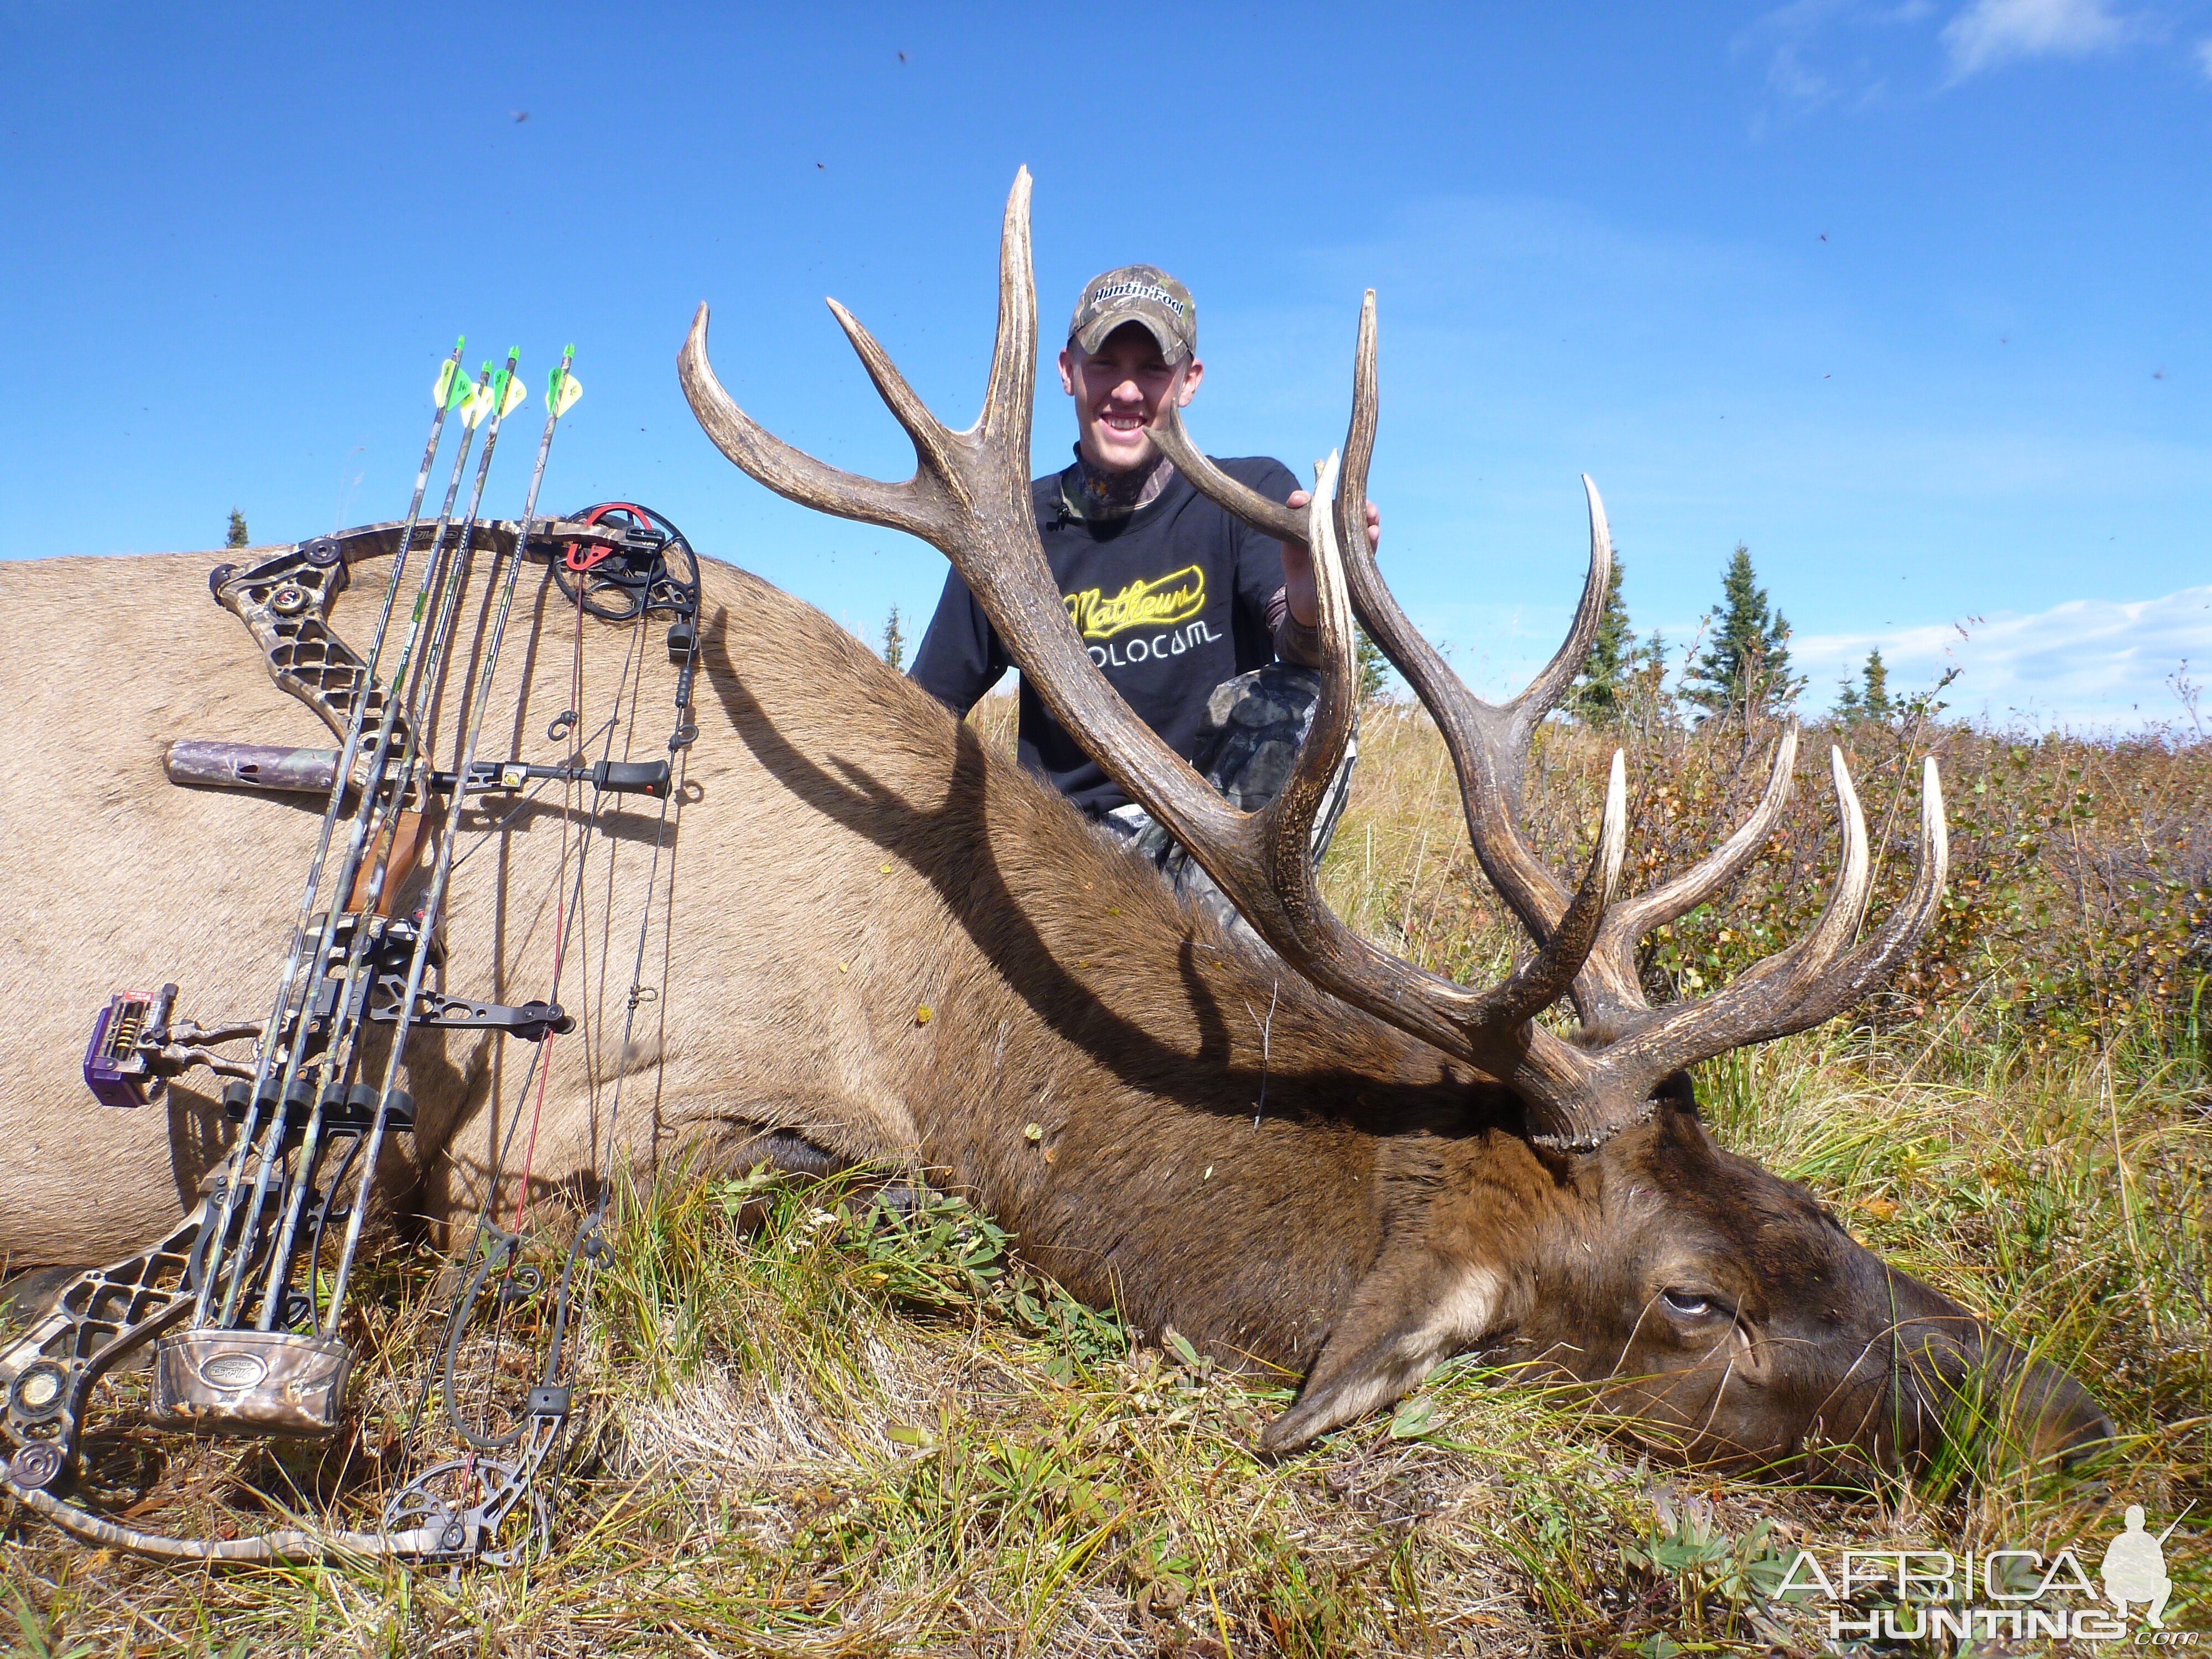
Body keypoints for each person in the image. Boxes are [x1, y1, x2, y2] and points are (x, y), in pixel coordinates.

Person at [909, 264, 1380, 937]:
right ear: (1068, 370)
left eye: (1152, 369)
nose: (1126, 391)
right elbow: (927, 708)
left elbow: (1295, 644)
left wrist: (1313, 606)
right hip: (1059, 851)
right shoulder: (1009, 526)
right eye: (1105, 364)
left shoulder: (1242, 494)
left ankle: (1233, 970)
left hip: (1209, 851)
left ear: (1189, 381)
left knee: (1311, 698)